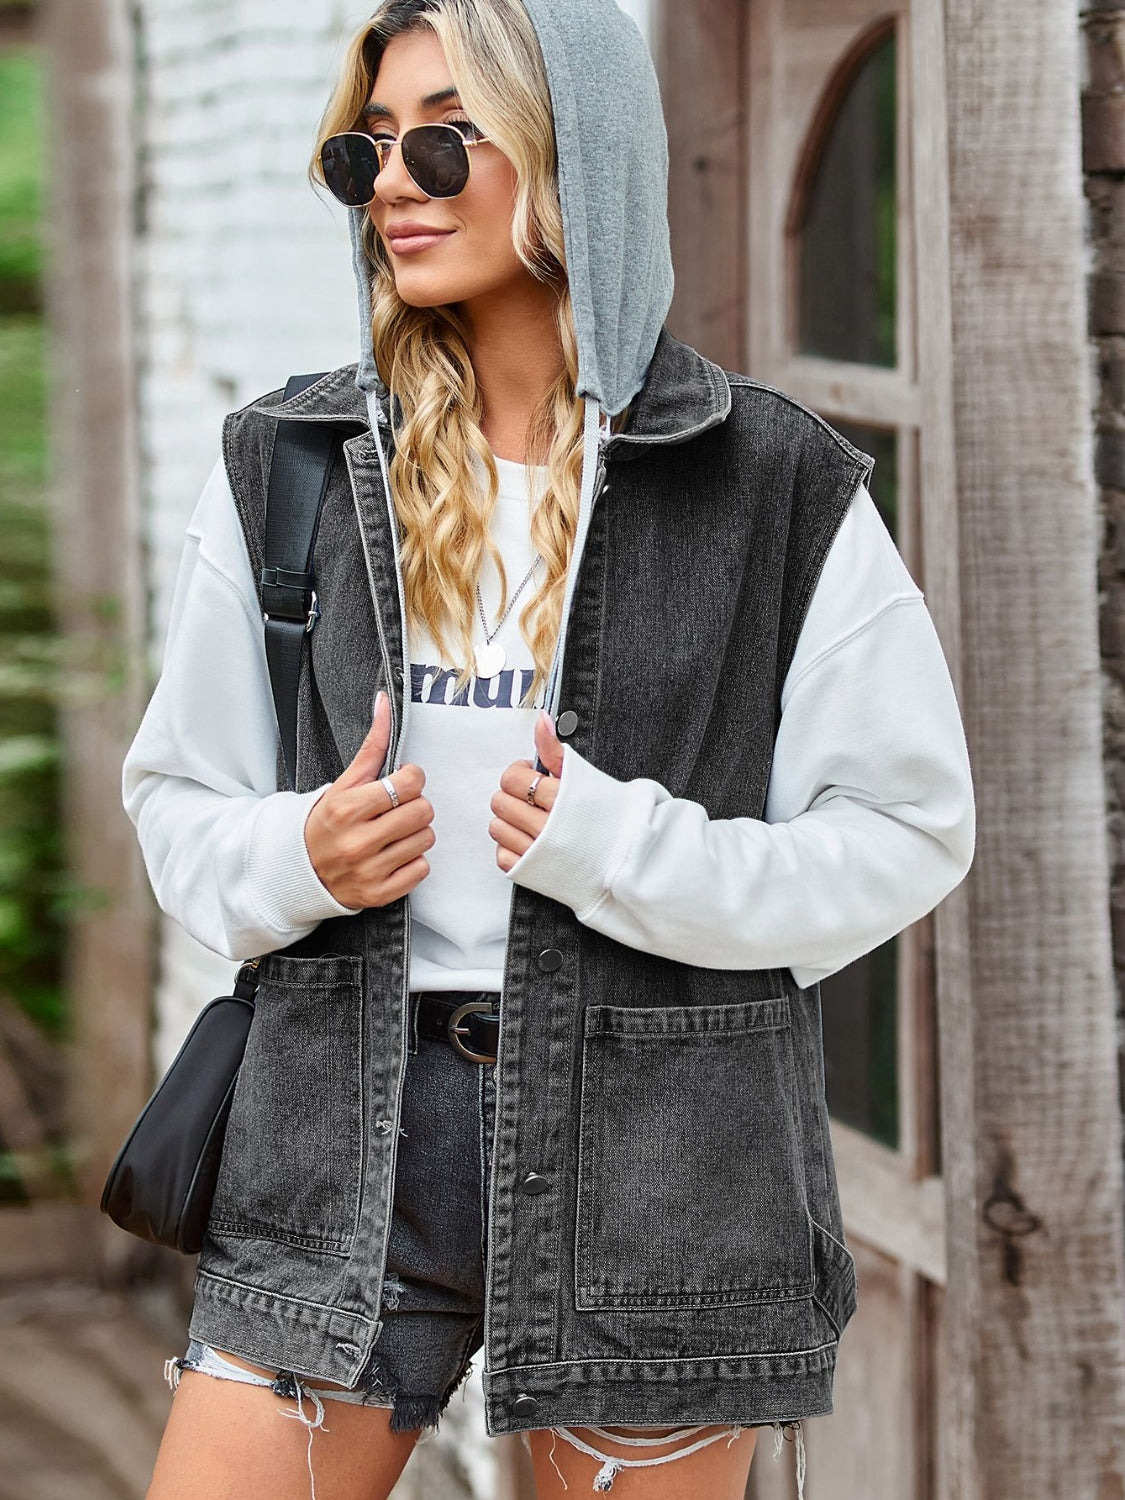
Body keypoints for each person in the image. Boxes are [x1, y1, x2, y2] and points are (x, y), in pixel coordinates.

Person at [124, 0, 976, 1496]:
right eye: (368, 149)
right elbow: (177, 801)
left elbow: (908, 831)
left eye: (445, 141)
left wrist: (616, 849)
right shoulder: (291, 465)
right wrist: (297, 854)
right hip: (337, 1144)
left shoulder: (767, 480)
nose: (395, 184)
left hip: (661, 1163)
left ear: (575, 151)